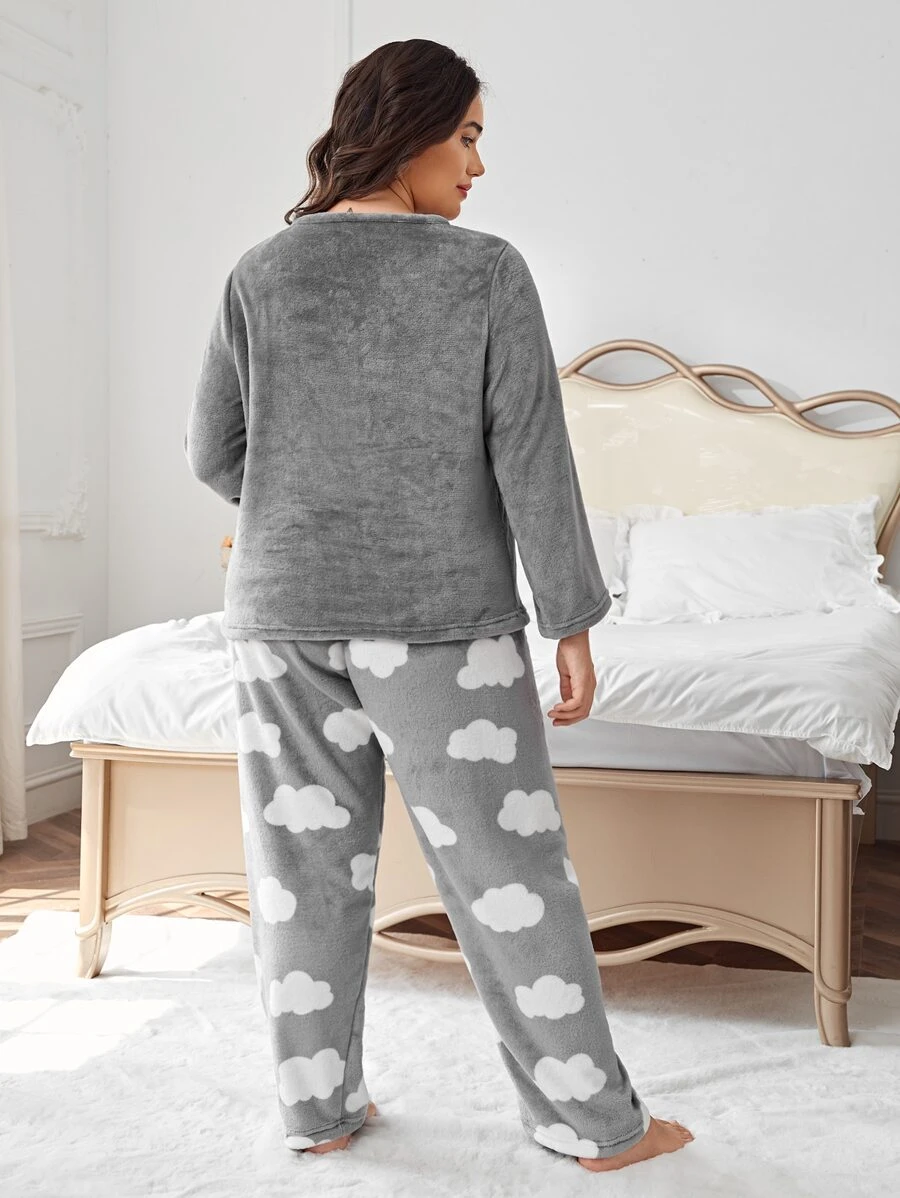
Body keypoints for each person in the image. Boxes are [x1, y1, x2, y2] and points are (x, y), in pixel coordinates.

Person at [184, 37, 694, 1174]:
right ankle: (592, 1124)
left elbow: (213, 451)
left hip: (278, 616)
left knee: (302, 878)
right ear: (409, 131)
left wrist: (305, 506)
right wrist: (571, 617)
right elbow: (534, 460)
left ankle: (318, 1112)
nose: (477, 165)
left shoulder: (260, 272)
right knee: (510, 875)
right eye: (466, 137)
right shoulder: (486, 273)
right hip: (441, 625)